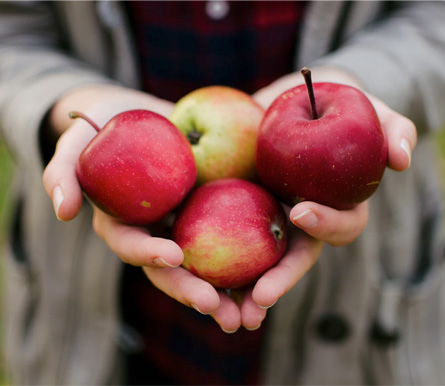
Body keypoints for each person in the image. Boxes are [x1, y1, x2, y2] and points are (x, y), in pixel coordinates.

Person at [0, 1, 443, 385]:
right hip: (108, 313)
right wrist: (68, 101)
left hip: (362, 297)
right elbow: (13, 31)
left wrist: (355, 80)